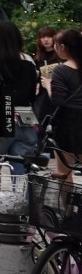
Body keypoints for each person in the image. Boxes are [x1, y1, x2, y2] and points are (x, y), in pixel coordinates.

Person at [0, 20, 40, 175]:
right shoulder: (28, 59)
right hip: (26, 115)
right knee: (21, 165)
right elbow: (33, 92)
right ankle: (22, 191)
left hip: (2, 116)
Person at [42, 28, 82, 181]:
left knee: (64, 174)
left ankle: (68, 199)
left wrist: (48, 85)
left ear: (63, 47)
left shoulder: (61, 70)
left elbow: (58, 100)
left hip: (67, 125)